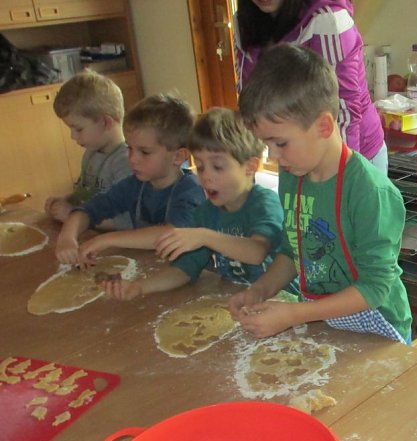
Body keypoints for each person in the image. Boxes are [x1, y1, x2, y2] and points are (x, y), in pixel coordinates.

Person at [228, 43, 411, 343]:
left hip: (378, 331)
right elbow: (292, 251)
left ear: (324, 126)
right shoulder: (293, 176)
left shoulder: (370, 193)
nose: (273, 157)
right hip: (321, 318)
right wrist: (259, 290)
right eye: (266, 144)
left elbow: (375, 288)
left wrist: (292, 315)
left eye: (281, 143)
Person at [79, 107, 284, 299]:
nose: (206, 177)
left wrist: (204, 236)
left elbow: (257, 252)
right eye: (201, 167)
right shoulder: (206, 212)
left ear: (250, 167)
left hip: (279, 300)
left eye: (218, 167)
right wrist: (139, 287)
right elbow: (184, 270)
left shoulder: (264, 203)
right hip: (237, 298)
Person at [231, 0, 387, 173]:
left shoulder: (327, 19)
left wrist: (341, 179)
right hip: (295, 153)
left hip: (353, 155)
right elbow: (249, 99)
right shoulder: (245, 21)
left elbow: (343, 113)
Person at [55, 93, 204, 265]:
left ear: (178, 156)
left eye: (144, 152)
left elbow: (172, 234)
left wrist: (108, 240)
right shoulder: (134, 185)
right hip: (149, 267)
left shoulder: (190, 190)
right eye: (130, 148)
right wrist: (67, 237)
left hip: (191, 277)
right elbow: (90, 210)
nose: (132, 158)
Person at [45, 69, 132, 228]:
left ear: (106, 122)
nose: (72, 136)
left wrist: (73, 215)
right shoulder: (91, 153)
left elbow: (127, 222)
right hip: (89, 235)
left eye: (78, 129)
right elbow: (88, 194)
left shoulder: (125, 163)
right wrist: (67, 200)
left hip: (115, 243)